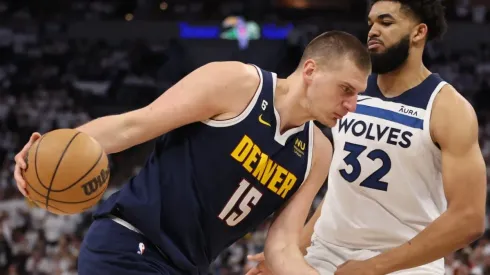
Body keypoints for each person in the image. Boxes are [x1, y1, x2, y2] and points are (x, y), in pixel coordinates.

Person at [13, 31, 371, 275]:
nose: (351, 105)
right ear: (311, 71)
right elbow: (134, 126)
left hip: (189, 266)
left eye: (357, 94)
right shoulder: (238, 85)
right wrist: (48, 148)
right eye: (345, 89)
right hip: (131, 243)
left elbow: (281, 247)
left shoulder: (318, 153)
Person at [246, 1, 487, 275]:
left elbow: (469, 219)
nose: (373, 31)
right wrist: (291, 252)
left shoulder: (448, 108)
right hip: (327, 253)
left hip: (405, 264)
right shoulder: (351, 92)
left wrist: (373, 268)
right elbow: (341, 190)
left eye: (386, 22)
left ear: (419, 33)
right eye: (371, 23)